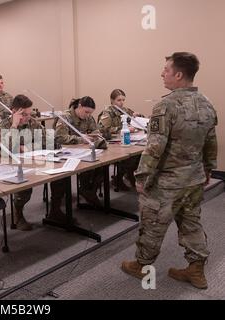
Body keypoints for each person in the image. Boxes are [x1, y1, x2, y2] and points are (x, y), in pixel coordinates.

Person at [121, 52, 217, 290]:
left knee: (153, 224)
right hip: (193, 179)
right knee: (191, 222)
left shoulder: (166, 105)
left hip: (167, 182)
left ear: (179, 74)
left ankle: (142, 265)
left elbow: (154, 147)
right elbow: (210, 142)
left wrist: (142, 176)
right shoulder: (206, 103)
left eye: (166, 69)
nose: (162, 73)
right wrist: (208, 170)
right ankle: (196, 270)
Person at [0, 94, 46, 231]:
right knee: (25, 184)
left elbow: (47, 141)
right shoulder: (3, 126)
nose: (27, 117)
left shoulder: (31, 122)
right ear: (14, 112)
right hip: (9, 166)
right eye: (23, 114)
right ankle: (18, 214)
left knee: (61, 176)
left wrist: (27, 148)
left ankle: (56, 211)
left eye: (29, 114)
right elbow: (6, 151)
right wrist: (15, 125)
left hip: (31, 162)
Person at [51, 97, 103, 210]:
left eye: (90, 113)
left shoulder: (88, 117)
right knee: (61, 177)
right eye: (86, 112)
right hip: (65, 154)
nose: (88, 115)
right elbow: (59, 138)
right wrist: (81, 139)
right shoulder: (65, 117)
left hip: (82, 152)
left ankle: (88, 191)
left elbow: (95, 131)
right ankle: (55, 209)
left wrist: (96, 136)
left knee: (102, 165)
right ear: (79, 106)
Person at [98, 89, 143, 190]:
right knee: (129, 157)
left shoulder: (125, 110)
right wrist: (123, 129)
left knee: (139, 154)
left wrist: (137, 115)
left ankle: (128, 174)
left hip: (126, 140)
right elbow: (103, 130)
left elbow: (139, 119)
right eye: (119, 100)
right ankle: (120, 177)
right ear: (112, 100)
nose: (121, 102)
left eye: (123, 100)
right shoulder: (107, 112)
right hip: (113, 142)